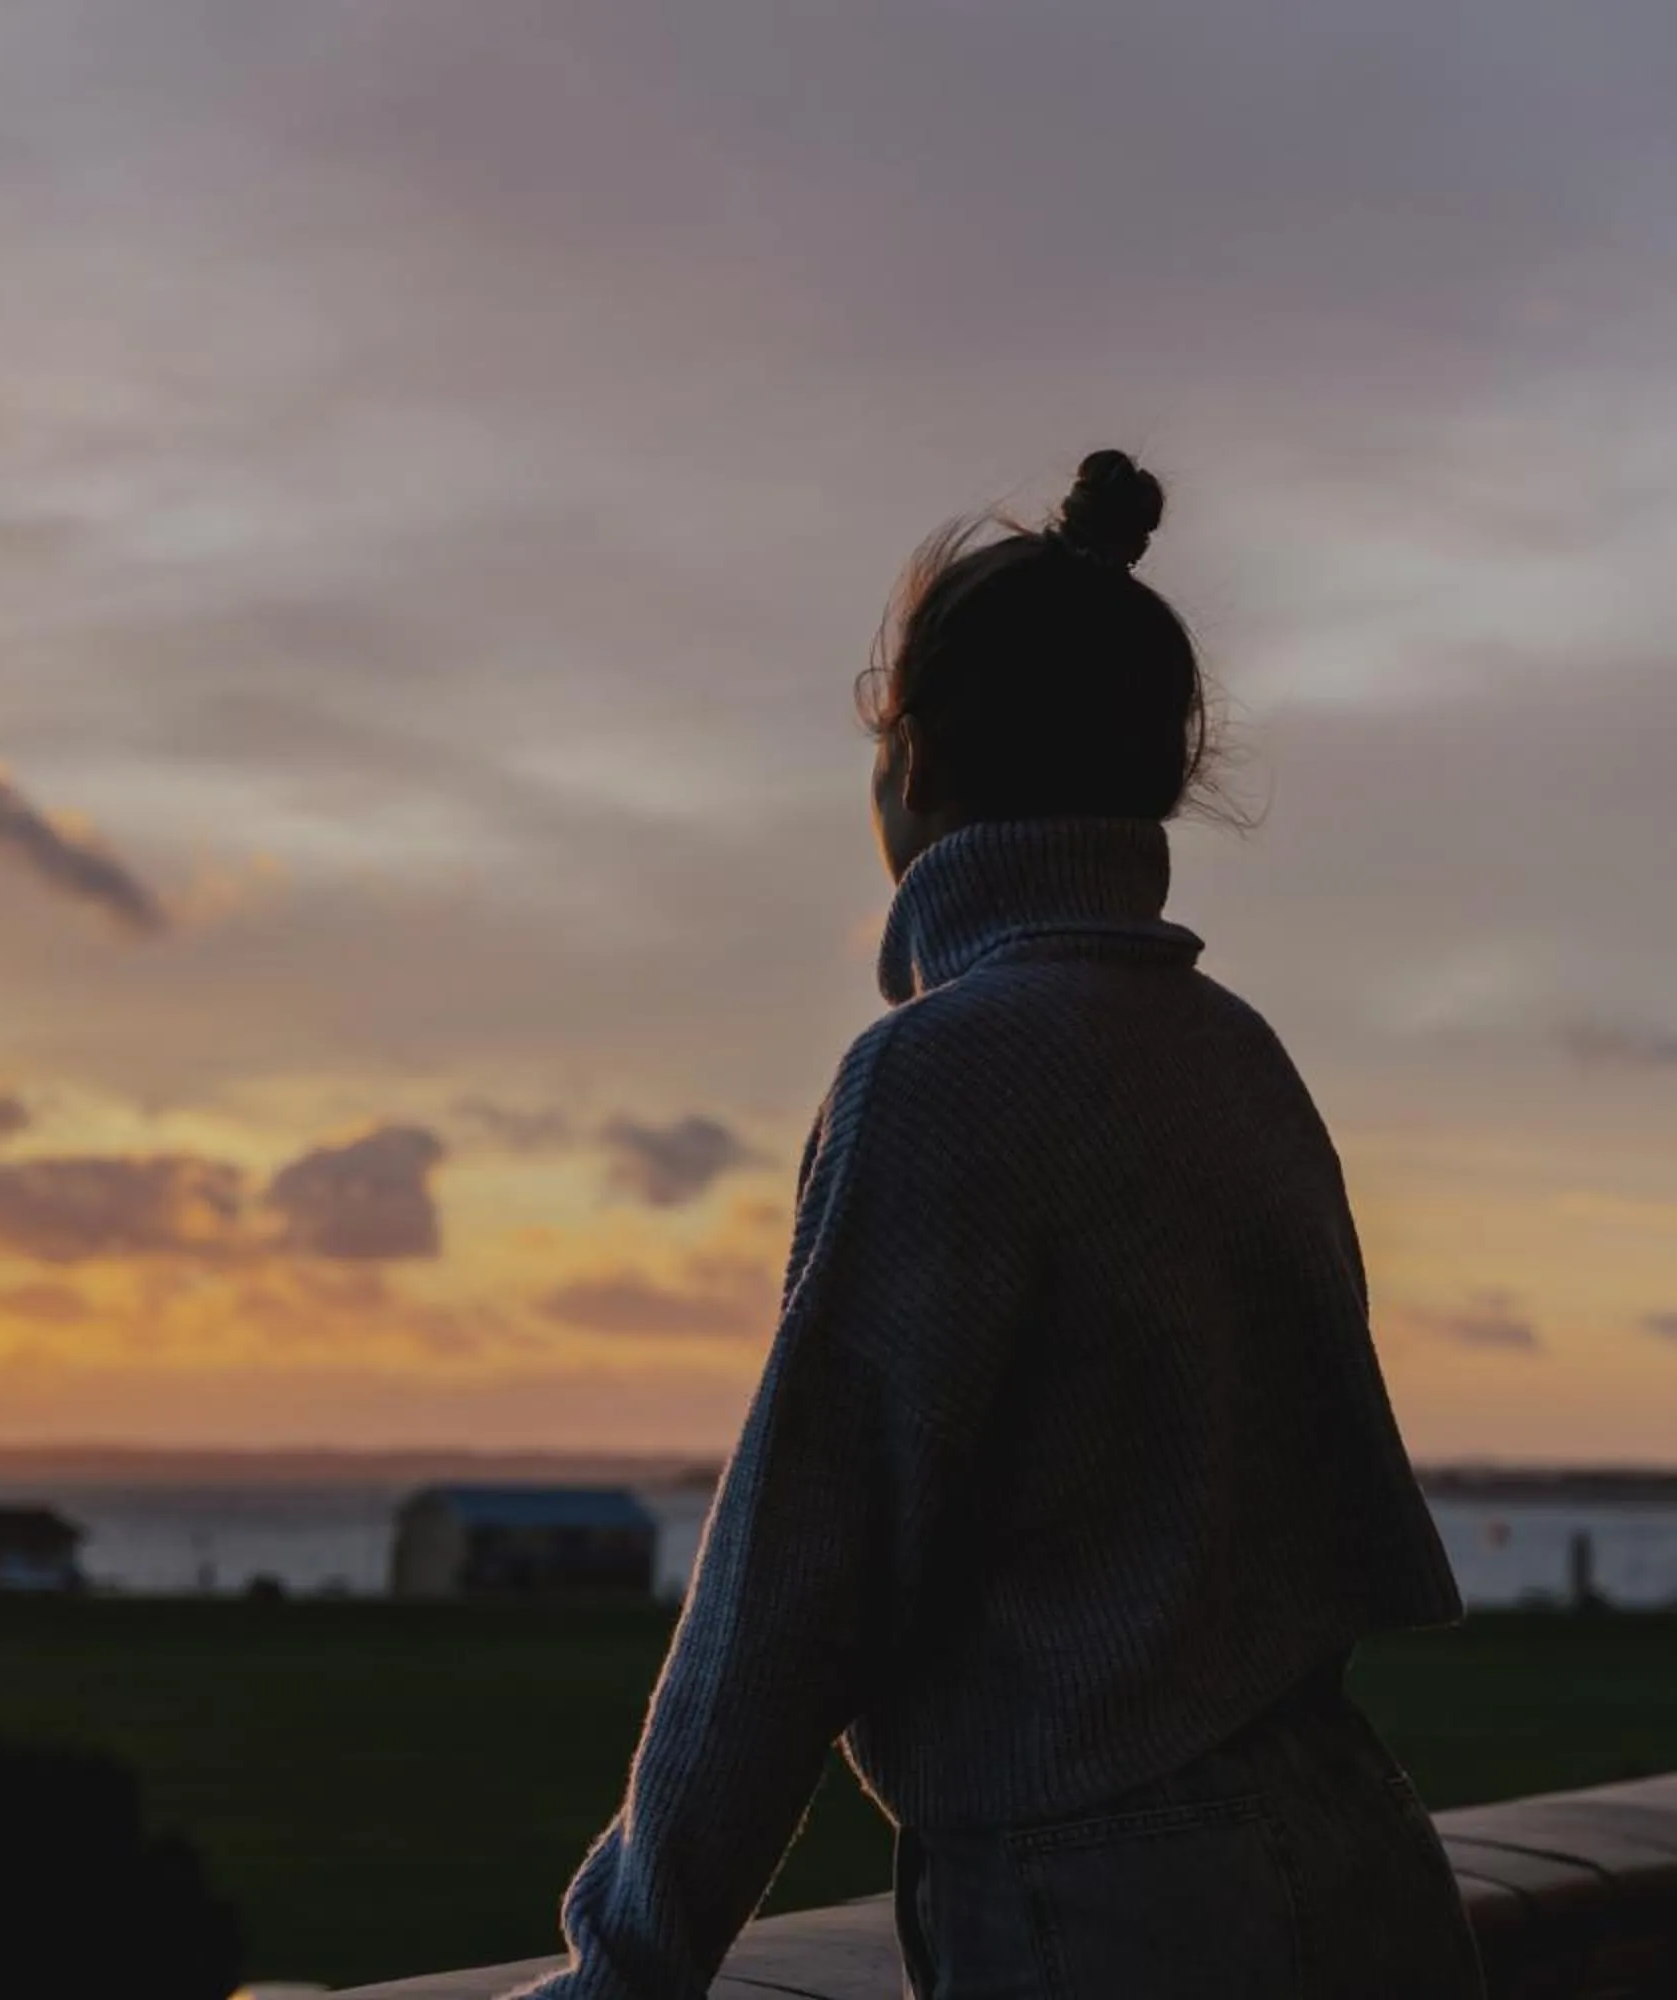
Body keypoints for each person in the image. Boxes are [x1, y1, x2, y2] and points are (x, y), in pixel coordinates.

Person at [514, 452, 1480, 1999]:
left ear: (911, 761)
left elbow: (792, 1579)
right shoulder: (1234, 1053)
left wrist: (629, 1967)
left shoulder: (935, 1078)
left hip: (1119, 1918)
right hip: (1369, 1861)